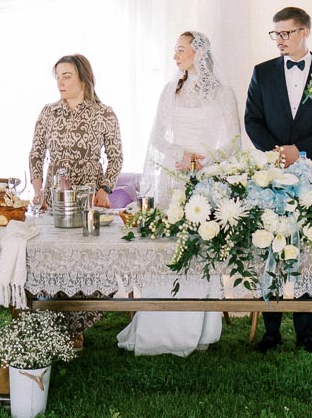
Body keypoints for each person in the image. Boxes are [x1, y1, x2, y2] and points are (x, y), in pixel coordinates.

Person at [119, 31, 237, 357]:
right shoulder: (170, 90)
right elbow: (157, 138)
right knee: (168, 249)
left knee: (199, 249)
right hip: (173, 179)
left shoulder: (223, 92)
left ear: (198, 52)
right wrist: (181, 156)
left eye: (181, 50)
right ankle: (159, 326)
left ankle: (199, 329)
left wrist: (206, 160)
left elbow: (234, 141)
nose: (175, 56)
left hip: (207, 181)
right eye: (175, 50)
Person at [244, 6, 312, 354]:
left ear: (304, 32)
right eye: (275, 34)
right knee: (270, 243)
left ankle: (307, 332)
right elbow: (252, 119)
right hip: (272, 174)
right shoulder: (262, 73)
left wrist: (300, 151)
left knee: (311, 248)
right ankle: (271, 330)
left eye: (286, 33)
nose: (279, 40)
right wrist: (277, 153)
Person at [28, 54, 123, 209]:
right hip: (54, 201)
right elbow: (36, 155)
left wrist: (104, 189)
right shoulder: (48, 112)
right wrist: (38, 192)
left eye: (66, 77)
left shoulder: (104, 114)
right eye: (58, 77)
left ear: (83, 79)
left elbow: (116, 158)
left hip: (90, 200)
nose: (60, 83)